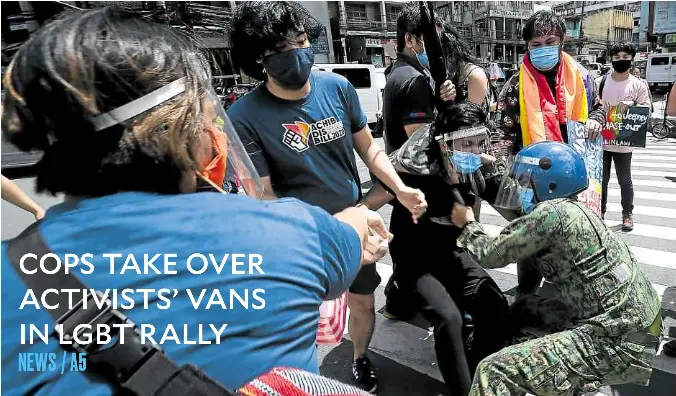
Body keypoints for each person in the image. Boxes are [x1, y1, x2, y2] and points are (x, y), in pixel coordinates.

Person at [0, 7, 389, 394]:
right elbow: (349, 230)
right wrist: (360, 214)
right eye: (207, 116)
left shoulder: (10, 274)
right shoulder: (291, 231)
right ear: (178, 127)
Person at [226, 3, 427, 393]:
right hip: (298, 240)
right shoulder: (244, 117)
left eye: (301, 41)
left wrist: (399, 189)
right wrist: (321, 228)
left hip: (355, 228)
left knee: (363, 303)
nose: (298, 53)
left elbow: (370, 150)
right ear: (259, 58)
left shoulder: (338, 89)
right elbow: (263, 195)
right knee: (303, 320)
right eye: (282, 48)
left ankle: (360, 357)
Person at [451, 141, 662, 396]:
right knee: (524, 310)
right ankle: (556, 376)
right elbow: (520, 216)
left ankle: (560, 374)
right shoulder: (571, 209)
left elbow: (490, 254)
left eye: (527, 182)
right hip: (634, 324)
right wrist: (490, 165)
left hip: (617, 341)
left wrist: (468, 223)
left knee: (493, 371)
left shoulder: (551, 216)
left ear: (548, 184)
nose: (521, 188)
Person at [489, 10, 606, 298]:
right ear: (526, 46)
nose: (543, 49)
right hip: (532, 185)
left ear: (562, 42)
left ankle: (568, 303)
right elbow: (503, 135)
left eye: (549, 41)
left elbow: (600, 109)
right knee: (530, 252)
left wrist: (596, 120)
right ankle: (525, 302)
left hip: (574, 184)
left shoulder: (583, 79)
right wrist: (501, 168)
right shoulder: (515, 86)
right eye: (535, 44)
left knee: (572, 251)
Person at [378, 3, 456, 323]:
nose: (435, 50)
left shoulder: (397, 72)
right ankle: (405, 300)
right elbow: (421, 143)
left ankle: (400, 300)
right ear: (411, 40)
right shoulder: (414, 81)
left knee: (407, 250)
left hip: (401, 181)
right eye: (431, 41)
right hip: (416, 184)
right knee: (418, 252)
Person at [439, 22, 492, 222]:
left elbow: (468, 124)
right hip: (449, 153)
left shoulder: (473, 75)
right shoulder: (444, 76)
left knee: (470, 210)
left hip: (468, 153)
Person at [597, 42, 651, 230]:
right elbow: (591, 107)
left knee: (625, 181)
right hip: (601, 141)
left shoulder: (638, 85)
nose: (621, 60)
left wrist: (632, 106)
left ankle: (627, 213)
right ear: (611, 59)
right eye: (617, 57)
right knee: (600, 181)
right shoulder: (600, 82)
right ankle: (599, 213)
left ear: (632, 59)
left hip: (625, 142)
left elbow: (646, 109)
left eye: (625, 57)